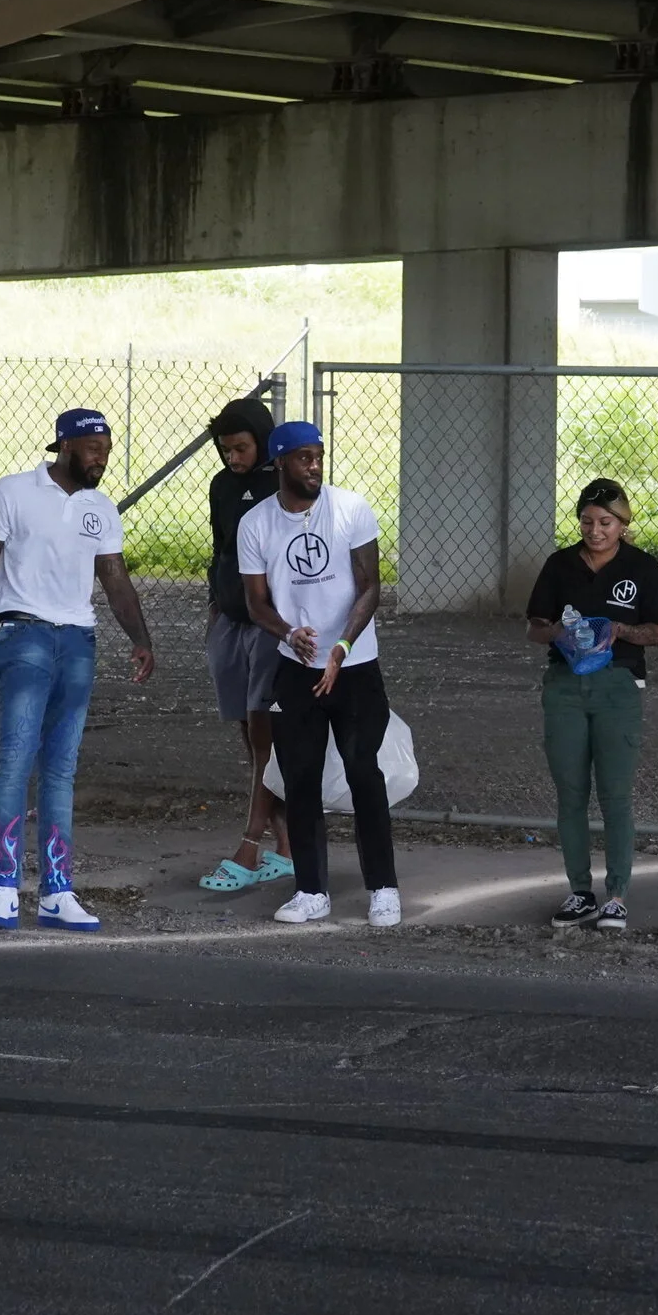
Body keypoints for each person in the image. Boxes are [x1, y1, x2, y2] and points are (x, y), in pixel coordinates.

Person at [0, 407, 155, 934]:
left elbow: (115, 578)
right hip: (22, 635)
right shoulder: (12, 492)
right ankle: (4, 887)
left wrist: (141, 638)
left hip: (78, 640)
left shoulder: (100, 507)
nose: (103, 456)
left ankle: (57, 891)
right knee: (15, 758)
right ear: (64, 446)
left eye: (107, 447)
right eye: (93, 447)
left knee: (61, 768)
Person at [237, 420, 399, 927]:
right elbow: (256, 603)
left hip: (354, 666)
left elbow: (369, 585)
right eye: (304, 458)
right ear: (279, 463)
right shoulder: (257, 524)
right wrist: (289, 634)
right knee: (300, 778)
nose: (314, 466)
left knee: (362, 772)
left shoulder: (350, 508)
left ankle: (383, 888)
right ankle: (311, 890)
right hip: (296, 667)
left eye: (319, 456)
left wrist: (342, 645)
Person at [527, 478, 658, 932]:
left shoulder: (642, 568)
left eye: (606, 523)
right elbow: (535, 625)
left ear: (624, 524)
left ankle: (617, 896)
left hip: (618, 687)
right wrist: (557, 632)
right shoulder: (559, 565)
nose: (595, 531)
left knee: (615, 794)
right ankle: (579, 893)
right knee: (571, 793)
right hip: (566, 685)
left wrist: (619, 630)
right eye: (587, 522)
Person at [198, 396, 296, 893]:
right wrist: (216, 604)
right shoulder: (221, 486)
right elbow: (220, 546)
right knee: (249, 733)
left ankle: (250, 844)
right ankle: (288, 846)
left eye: (240, 448)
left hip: (271, 626)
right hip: (231, 622)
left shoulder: (283, 488)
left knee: (265, 732)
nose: (232, 458)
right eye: (224, 450)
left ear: (262, 441)